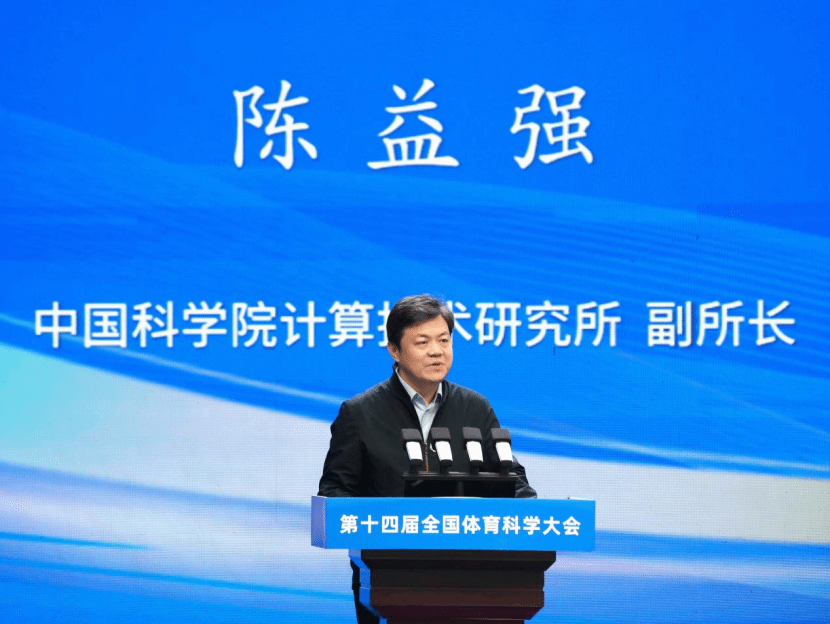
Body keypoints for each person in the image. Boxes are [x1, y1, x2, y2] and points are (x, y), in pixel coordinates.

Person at [318, 294, 536, 624]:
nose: (437, 351)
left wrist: (531, 512)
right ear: (394, 350)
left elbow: (512, 479)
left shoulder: (475, 408)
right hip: (388, 578)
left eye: (444, 340)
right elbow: (335, 491)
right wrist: (381, 524)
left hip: (473, 576)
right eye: (422, 342)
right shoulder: (360, 413)